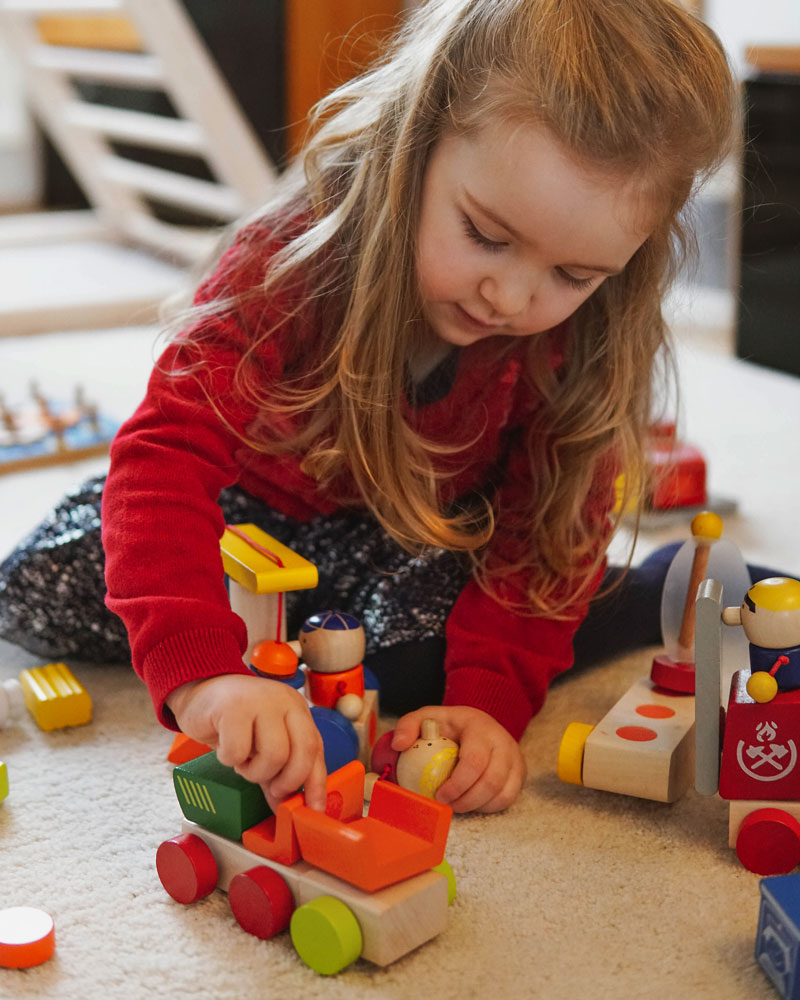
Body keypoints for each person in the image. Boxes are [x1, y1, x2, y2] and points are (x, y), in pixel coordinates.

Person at [0, 0, 738, 815]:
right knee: (44, 590)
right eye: (486, 236)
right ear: (413, 142)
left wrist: (488, 706)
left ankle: (628, 594)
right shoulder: (289, 263)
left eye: (574, 275)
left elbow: (544, 534)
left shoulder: (576, 342)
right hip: (251, 519)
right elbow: (161, 462)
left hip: (425, 533)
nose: (513, 294)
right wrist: (208, 678)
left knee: (390, 661)